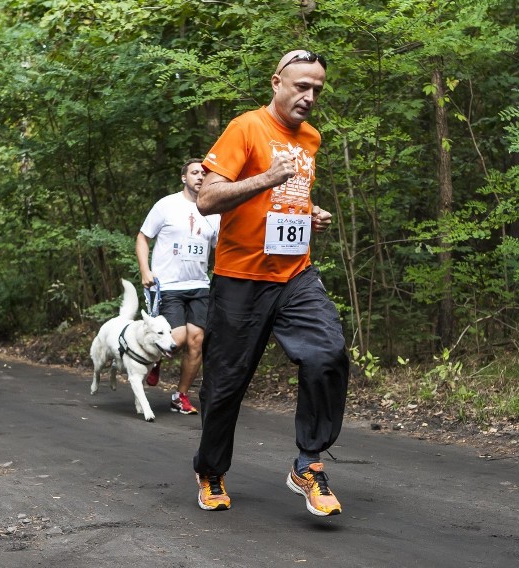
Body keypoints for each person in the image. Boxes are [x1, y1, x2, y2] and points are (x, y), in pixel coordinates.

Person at [192, 50, 349, 516]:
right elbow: (206, 199)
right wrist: (264, 178)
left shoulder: (313, 138)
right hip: (240, 279)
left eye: (317, 89)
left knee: (327, 354)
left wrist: (309, 212)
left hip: (295, 274)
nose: (309, 96)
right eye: (301, 86)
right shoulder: (246, 127)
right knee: (225, 385)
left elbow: (290, 195)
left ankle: (308, 464)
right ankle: (211, 471)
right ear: (277, 82)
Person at [135, 159, 219, 416]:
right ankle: (158, 356)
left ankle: (180, 396)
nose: (199, 177)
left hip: (199, 285)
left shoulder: (214, 212)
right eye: (194, 172)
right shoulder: (167, 205)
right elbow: (142, 237)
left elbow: (221, 248)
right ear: (184, 177)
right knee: (177, 339)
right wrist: (145, 270)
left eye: (204, 174)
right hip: (168, 285)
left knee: (197, 341)